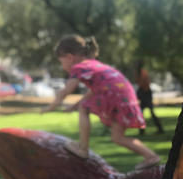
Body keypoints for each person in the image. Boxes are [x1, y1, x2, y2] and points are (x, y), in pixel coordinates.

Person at [42, 35, 161, 170]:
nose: (62, 67)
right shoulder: (94, 65)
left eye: (61, 62)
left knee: (84, 107)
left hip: (116, 97)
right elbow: (93, 91)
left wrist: (50, 107)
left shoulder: (80, 67)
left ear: (70, 57)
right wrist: (74, 105)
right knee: (117, 137)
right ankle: (151, 156)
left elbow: (65, 91)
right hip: (126, 98)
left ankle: (83, 148)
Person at [134, 60, 164, 135]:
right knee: (141, 113)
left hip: (146, 93)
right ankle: (142, 130)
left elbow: (145, 84)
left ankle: (159, 128)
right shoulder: (138, 73)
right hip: (144, 93)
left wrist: (141, 94)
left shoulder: (143, 73)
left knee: (150, 112)